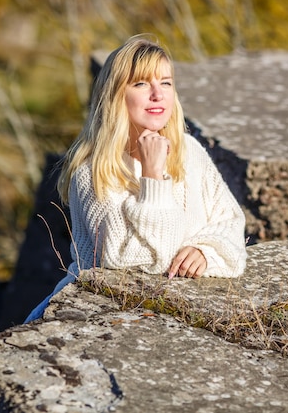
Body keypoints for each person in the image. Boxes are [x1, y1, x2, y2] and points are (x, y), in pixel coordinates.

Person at [25, 35, 247, 323]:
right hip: (96, 317)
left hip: (172, 317)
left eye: (166, 82)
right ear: (116, 95)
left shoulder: (189, 151)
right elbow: (136, 259)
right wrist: (154, 178)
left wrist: (204, 252)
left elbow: (231, 225)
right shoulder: (94, 173)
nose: (158, 94)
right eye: (141, 83)